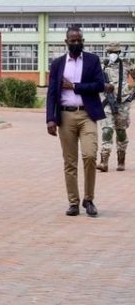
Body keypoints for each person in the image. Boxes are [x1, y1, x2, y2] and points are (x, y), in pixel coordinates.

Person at [46, 26, 105, 217]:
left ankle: (89, 199)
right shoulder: (57, 64)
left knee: (89, 156)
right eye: (72, 40)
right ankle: (73, 202)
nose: (76, 43)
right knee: (70, 162)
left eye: (79, 40)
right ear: (66, 42)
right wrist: (50, 119)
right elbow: (51, 93)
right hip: (65, 117)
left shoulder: (92, 60)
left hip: (87, 114)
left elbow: (99, 85)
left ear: (83, 41)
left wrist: (75, 86)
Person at [97, 42, 134, 172]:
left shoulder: (126, 64)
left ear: (119, 52)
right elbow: (95, 83)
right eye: (110, 52)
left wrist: (131, 96)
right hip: (107, 103)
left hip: (123, 104)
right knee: (107, 130)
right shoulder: (102, 66)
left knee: (120, 131)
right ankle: (104, 161)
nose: (113, 54)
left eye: (115, 52)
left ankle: (121, 160)